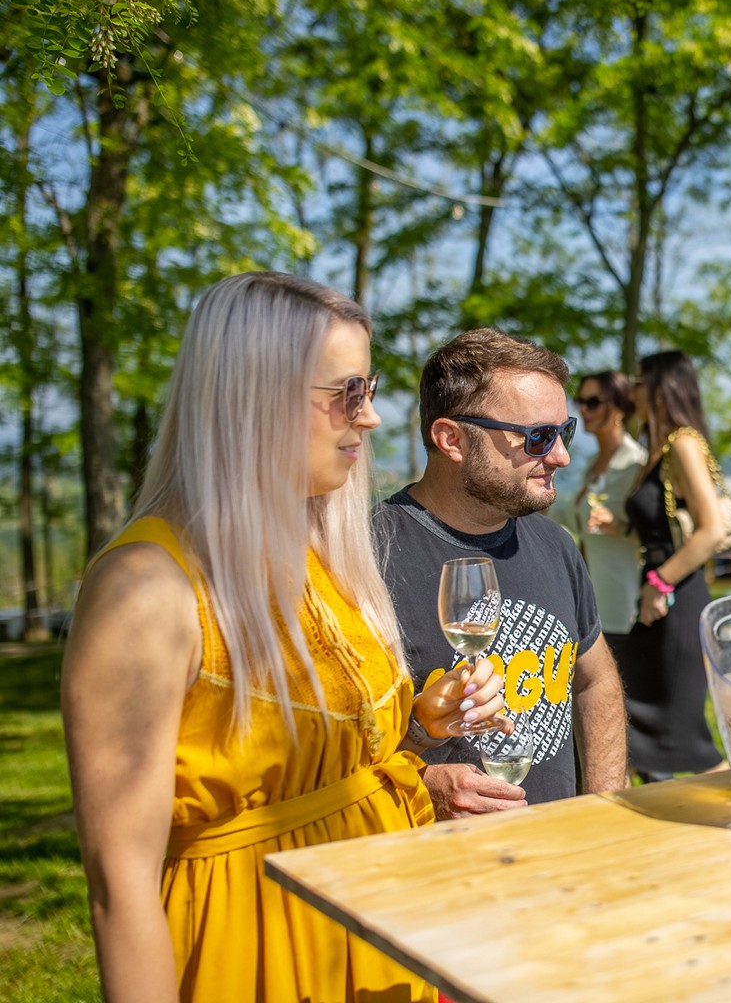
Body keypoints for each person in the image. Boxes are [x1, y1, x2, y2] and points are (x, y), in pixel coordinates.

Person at [61, 272, 509, 1001]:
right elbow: (120, 884)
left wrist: (419, 729)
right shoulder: (145, 586)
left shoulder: (313, 548)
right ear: (253, 398)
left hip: (380, 929)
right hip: (261, 948)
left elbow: (319, 760)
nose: (368, 418)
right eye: (348, 393)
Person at [373, 329, 628, 816]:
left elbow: (596, 681)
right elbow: (328, 749)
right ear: (451, 439)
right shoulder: (366, 558)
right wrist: (422, 784)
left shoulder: (555, 545)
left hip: (557, 865)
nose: (560, 456)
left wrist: (605, 809)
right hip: (433, 876)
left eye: (563, 432)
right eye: (537, 437)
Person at [616, 350, 728, 781]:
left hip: (675, 601)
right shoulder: (658, 448)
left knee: (682, 737)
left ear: (662, 388)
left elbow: (711, 530)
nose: (633, 391)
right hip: (654, 603)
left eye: (639, 382)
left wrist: (660, 583)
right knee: (640, 731)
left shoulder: (683, 442)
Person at [551, 370, 648, 645]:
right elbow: (577, 519)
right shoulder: (592, 463)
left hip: (622, 599)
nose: (583, 409)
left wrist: (621, 526)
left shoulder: (635, 463)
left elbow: (652, 529)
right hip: (588, 596)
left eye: (593, 402)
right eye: (580, 401)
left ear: (618, 406)